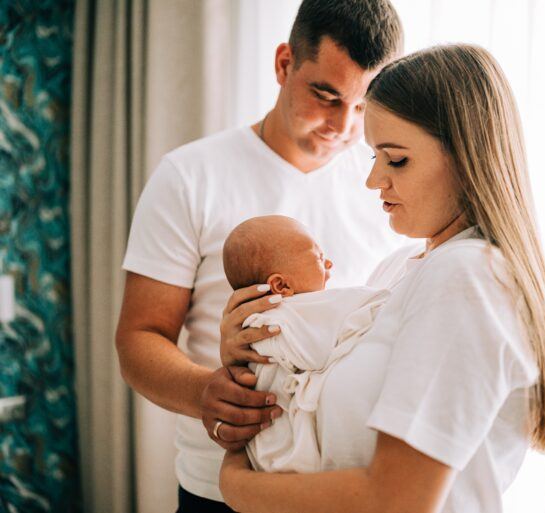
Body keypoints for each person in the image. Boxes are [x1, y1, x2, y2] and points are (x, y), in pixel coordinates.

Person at [219, 44, 545, 513]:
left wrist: (236, 485)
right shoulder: (400, 271)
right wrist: (258, 347)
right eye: (372, 158)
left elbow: (396, 500)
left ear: (467, 158)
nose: (374, 181)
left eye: (396, 159)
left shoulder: (467, 278)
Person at [114, 1, 404, 510]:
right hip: (220, 488)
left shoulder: (388, 186)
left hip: (341, 489)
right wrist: (206, 391)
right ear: (284, 64)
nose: (343, 126)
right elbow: (139, 338)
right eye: (326, 95)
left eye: (362, 106)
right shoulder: (190, 175)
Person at [221, 215, 389, 473]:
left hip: (263, 453)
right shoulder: (297, 311)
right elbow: (370, 304)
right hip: (288, 437)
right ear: (282, 284)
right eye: (319, 258)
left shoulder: (257, 319)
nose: (329, 262)